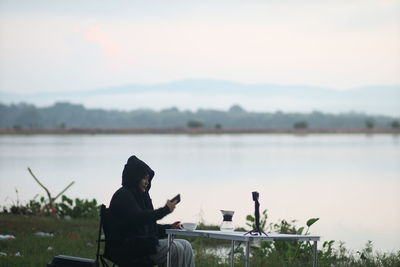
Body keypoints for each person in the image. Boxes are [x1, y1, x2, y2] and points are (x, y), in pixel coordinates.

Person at [108, 155, 195, 267]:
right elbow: (140, 218)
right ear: (134, 177)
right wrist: (164, 210)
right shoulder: (124, 195)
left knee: (186, 245)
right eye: (144, 178)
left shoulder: (142, 197)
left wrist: (168, 228)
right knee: (176, 249)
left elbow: (149, 227)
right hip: (128, 247)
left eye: (148, 179)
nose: (147, 182)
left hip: (144, 243)